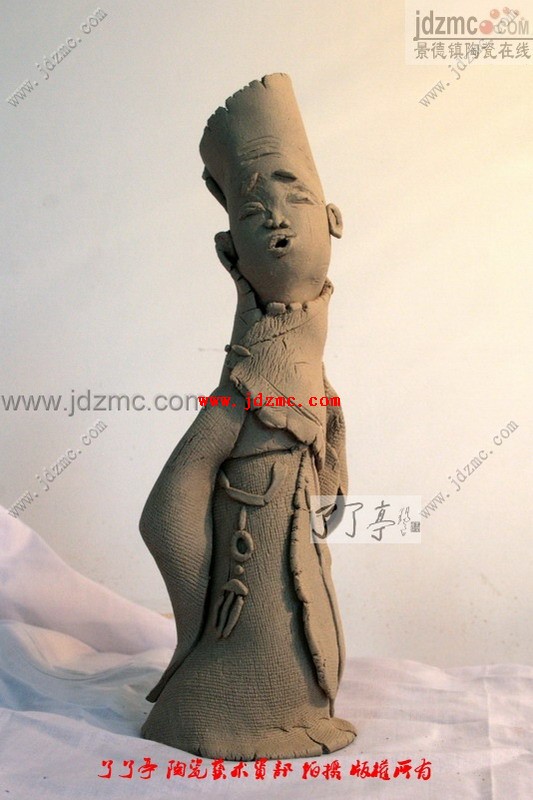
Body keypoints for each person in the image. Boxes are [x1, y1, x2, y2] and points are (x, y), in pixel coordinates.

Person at [140, 73, 355, 759]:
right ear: (230, 249)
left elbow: (326, 432)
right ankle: (222, 711)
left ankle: (294, 710)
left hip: (301, 567)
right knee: (263, 649)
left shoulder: (311, 369)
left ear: (333, 219)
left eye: (296, 196)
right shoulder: (241, 387)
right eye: (254, 212)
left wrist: (332, 477)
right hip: (243, 605)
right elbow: (165, 509)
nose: (278, 219)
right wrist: (202, 609)